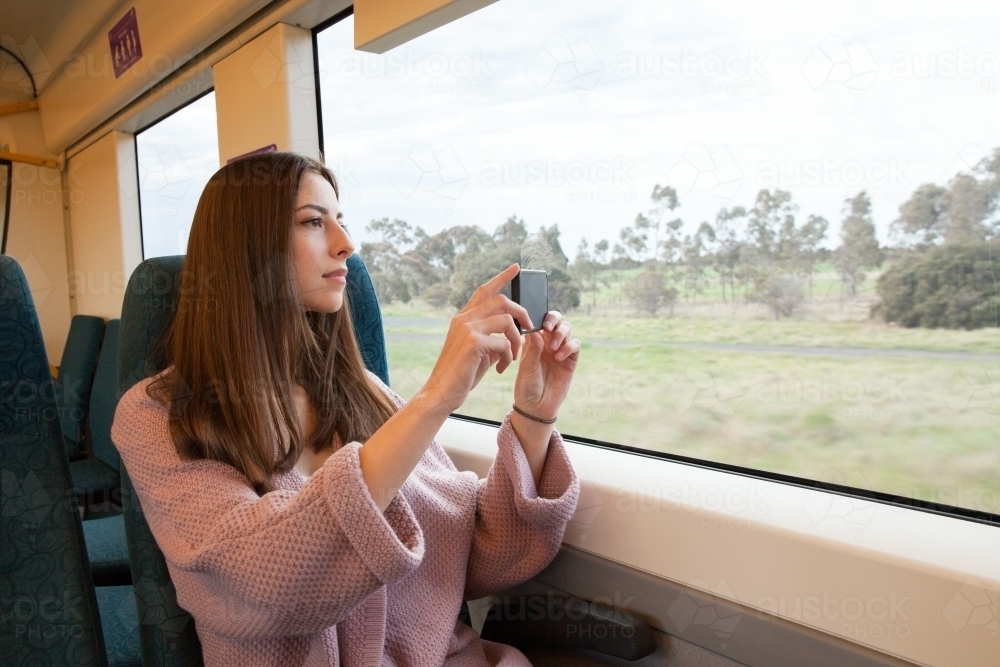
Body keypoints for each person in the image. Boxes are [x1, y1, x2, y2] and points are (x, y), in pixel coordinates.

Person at [111, 152, 582, 667]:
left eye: (341, 220)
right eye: (314, 221)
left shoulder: (366, 392)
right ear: (245, 248)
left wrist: (534, 417)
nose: (345, 244)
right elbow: (261, 580)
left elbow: (473, 550)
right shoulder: (157, 415)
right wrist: (435, 399)